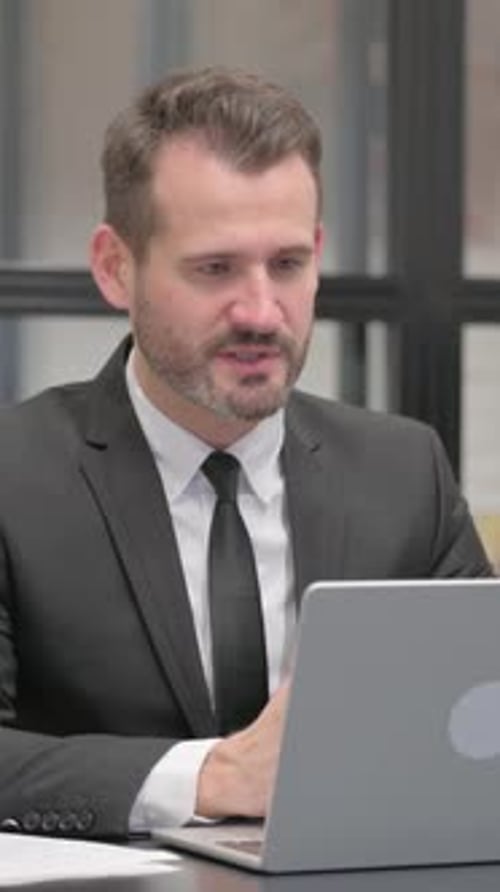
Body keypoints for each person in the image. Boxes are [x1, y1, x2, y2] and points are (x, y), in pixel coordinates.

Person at [0, 66, 492, 841]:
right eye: (215, 268)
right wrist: (214, 777)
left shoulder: (406, 474)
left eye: (289, 265)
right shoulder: (14, 476)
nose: (262, 311)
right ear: (114, 266)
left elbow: (480, 729)